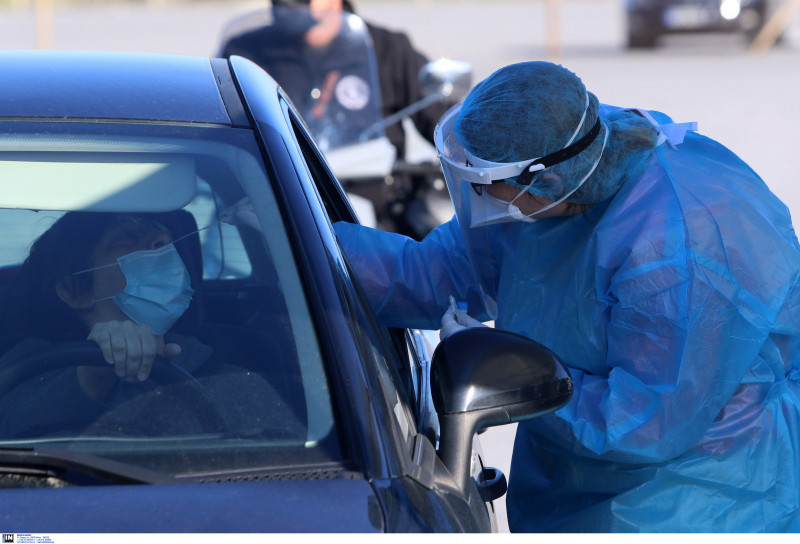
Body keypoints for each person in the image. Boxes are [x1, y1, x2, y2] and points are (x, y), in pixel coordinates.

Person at [332, 61, 800, 532]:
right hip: (578, 479)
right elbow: (439, 272)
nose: (478, 197)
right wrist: (297, 239)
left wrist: (511, 374)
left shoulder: (677, 250)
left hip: (702, 495)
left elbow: (642, 423)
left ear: (546, 183)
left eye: (484, 185)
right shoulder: (555, 165)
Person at [0, 211, 303, 439]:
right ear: (74, 290)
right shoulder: (22, 367)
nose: (162, 241)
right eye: (127, 240)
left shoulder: (237, 367)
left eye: (162, 237)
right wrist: (92, 374)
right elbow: (17, 437)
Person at [220, 0, 453, 237]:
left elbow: (448, 123)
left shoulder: (387, 48)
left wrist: (468, 156)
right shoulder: (245, 53)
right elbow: (221, 133)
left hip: (378, 220)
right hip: (275, 209)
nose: (304, 6)